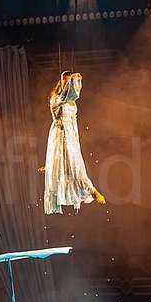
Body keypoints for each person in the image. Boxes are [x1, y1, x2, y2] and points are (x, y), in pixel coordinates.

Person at [42, 71, 105, 214]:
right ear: (61, 83)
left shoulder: (71, 103)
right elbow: (66, 95)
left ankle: (51, 167)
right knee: (73, 165)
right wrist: (73, 79)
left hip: (70, 133)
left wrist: (76, 138)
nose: (68, 84)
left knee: (76, 163)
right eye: (66, 82)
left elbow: (74, 120)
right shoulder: (55, 99)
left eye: (69, 82)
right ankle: (92, 191)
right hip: (60, 132)